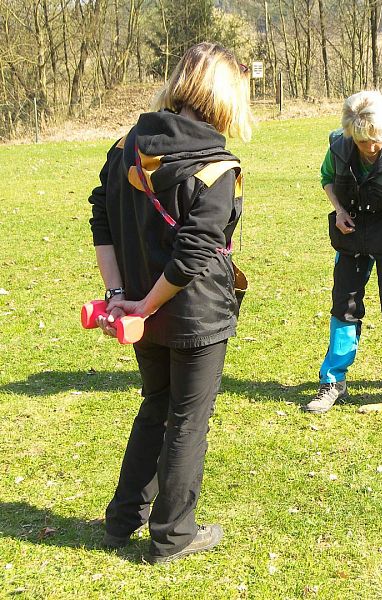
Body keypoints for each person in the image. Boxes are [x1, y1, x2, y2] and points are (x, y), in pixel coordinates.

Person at [88, 42, 253, 563]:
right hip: (192, 314)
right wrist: (141, 305)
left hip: (143, 309)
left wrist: (126, 298)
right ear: (226, 96)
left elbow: (103, 222)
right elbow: (192, 258)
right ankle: (173, 534)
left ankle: (121, 521)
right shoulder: (215, 166)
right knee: (186, 419)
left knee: (156, 406)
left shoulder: (126, 147)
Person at [304, 90, 382, 414]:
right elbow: (327, 179)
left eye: (375, 140)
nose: (370, 148)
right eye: (362, 142)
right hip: (352, 237)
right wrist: (339, 210)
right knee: (343, 308)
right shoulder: (338, 147)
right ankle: (333, 381)